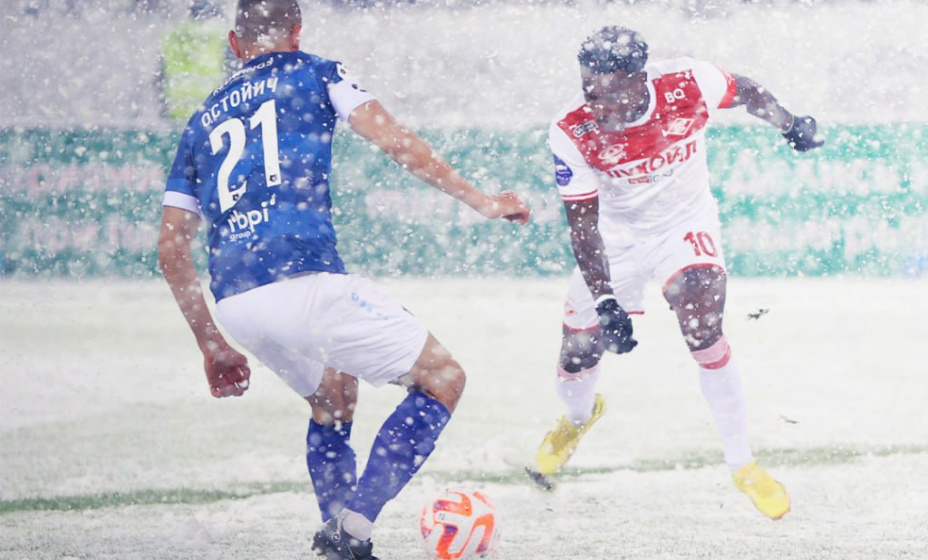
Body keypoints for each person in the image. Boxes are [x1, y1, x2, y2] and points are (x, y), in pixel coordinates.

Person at [156, 1, 530, 559]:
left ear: (235, 45)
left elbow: (171, 249)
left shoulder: (201, 120)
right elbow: (395, 141)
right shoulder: (317, 72)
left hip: (236, 299)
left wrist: (212, 342)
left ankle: (336, 534)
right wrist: (482, 201)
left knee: (333, 395)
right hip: (302, 277)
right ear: (297, 32)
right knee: (443, 378)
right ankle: (352, 530)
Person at [531, 26, 823, 520]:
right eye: (587, 90)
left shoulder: (689, 83)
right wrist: (605, 301)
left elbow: (746, 90)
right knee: (577, 355)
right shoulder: (572, 129)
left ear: (637, 79)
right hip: (616, 239)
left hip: (684, 226)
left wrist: (790, 124)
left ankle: (743, 465)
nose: (596, 104)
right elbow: (583, 227)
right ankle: (578, 418)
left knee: (703, 325)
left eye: (607, 92)